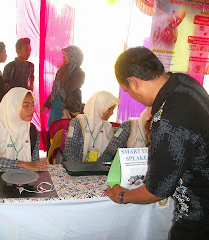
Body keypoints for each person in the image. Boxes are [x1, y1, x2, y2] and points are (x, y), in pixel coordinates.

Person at [107, 46, 209, 239]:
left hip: (199, 213)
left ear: (133, 82)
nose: (133, 97)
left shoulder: (167, 119)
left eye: (128, 91)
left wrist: (122, 196)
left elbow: (158, 190)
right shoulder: (184, 82)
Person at [0, 87, 48, 171]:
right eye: (26, 105)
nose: (31, 109)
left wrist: (38, 167)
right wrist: (21, 164)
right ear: (12, 106)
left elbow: (34, 163)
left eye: (33, 105)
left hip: (24, 177)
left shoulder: (32, 130)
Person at [63, 91, 120, 162]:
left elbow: (107, 153)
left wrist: (96, 168)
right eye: (109, 109)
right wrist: (81, 169)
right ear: (99, 106)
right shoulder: (78, 123)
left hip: (96, 168)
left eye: (113, 109)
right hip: (76, 167)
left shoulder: (107, 127)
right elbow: (69, 151)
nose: (112, 113)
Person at [40, 46, 85, 126]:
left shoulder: (79, 73)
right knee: (53, 130)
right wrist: (46, 104)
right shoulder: (63, 70)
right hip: (56, 106)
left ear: (73, 57)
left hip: (68, 108)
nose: (63, 57)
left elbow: (67, 87)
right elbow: (56, 90)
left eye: (66, 55)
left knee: (64, 132)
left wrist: (62, 69)